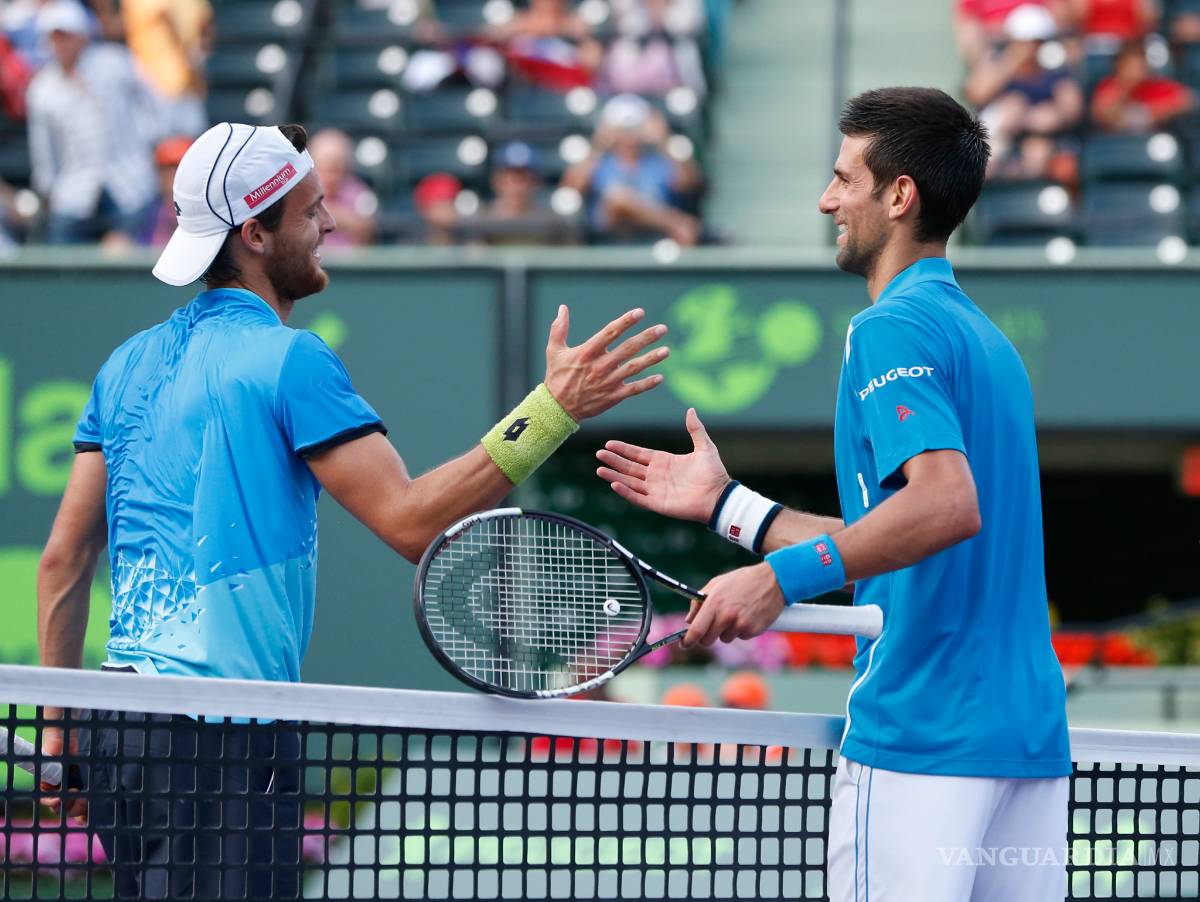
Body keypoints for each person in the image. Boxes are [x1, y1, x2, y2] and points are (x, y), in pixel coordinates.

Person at [36, 120, 669, 898]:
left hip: (118, 729)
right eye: (311, 211)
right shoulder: (288, 359)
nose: (330, 224)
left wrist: (64, 728)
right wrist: (550, 411)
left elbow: (64, 561)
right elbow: (412, 524)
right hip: (223, 739)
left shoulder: (122, 365)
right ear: (256, 233)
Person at [596, 87, 1070, 901]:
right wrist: (729, 509)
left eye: (844, 178)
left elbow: (943, 507)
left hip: (921, 741)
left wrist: (778, 579)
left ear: (899, 195)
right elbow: (900, 543)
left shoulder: (888, 328)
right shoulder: (989, 345)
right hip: (1024, 749)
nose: (826, 200)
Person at [26, 0, 158, 245]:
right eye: (55, 37)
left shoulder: (115, 62)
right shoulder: (42, 88)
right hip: (74, 191)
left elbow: (151, 104)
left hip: (130, 183)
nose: (60, 43)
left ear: (82, 36)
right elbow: (44, 148)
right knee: (60, 249)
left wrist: (147, 149)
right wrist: (50, 190)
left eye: (66, 35)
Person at [561, 93, 704, 245]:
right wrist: (599, 144)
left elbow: (689, 184)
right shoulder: (599, 163)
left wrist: (664, 140)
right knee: (618, 199)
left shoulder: (659, 162)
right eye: (622, 128)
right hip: (609, 238)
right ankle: (675, 223)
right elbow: (571, 188)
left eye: (634, 127)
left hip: (657, 239)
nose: (628, 135)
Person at [964, 4, 1083, 179]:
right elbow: (976, 93)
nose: (1030, 48)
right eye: (1024, 42)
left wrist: (1042, 117)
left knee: (1038, 151)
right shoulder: (997, 63)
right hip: (999, 137)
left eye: (1037, 42)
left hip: (1039, 138)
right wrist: (1010, 63)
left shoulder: (1056, 70)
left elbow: (1072, 109)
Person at [120, 0, 213, 138]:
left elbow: (206, 26)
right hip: (153, 83)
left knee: (193, 142)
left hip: (185, 82)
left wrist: (196, 56)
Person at [458, 140, 580, 245]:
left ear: (537, 182)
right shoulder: (479, 221)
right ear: (496, 181)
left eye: (524, 179)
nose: (517, 187)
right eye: (509, 179)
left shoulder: (555, 224)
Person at [1091, 39, 1195, 132]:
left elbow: (1187, 99)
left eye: (1139, 67)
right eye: (1129, 67)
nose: (1134, 72)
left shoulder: (1153, 85)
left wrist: (1149, 113)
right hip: (1115, 142)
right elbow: (1101, 113)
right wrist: (1125, 91)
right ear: (1119, 66)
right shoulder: (1110, 86)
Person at [308, 127, 376, 248]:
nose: (331, 177)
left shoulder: (359, 193)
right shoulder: (302, 192)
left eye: (336, 169)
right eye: (325, 168)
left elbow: (367, 233)